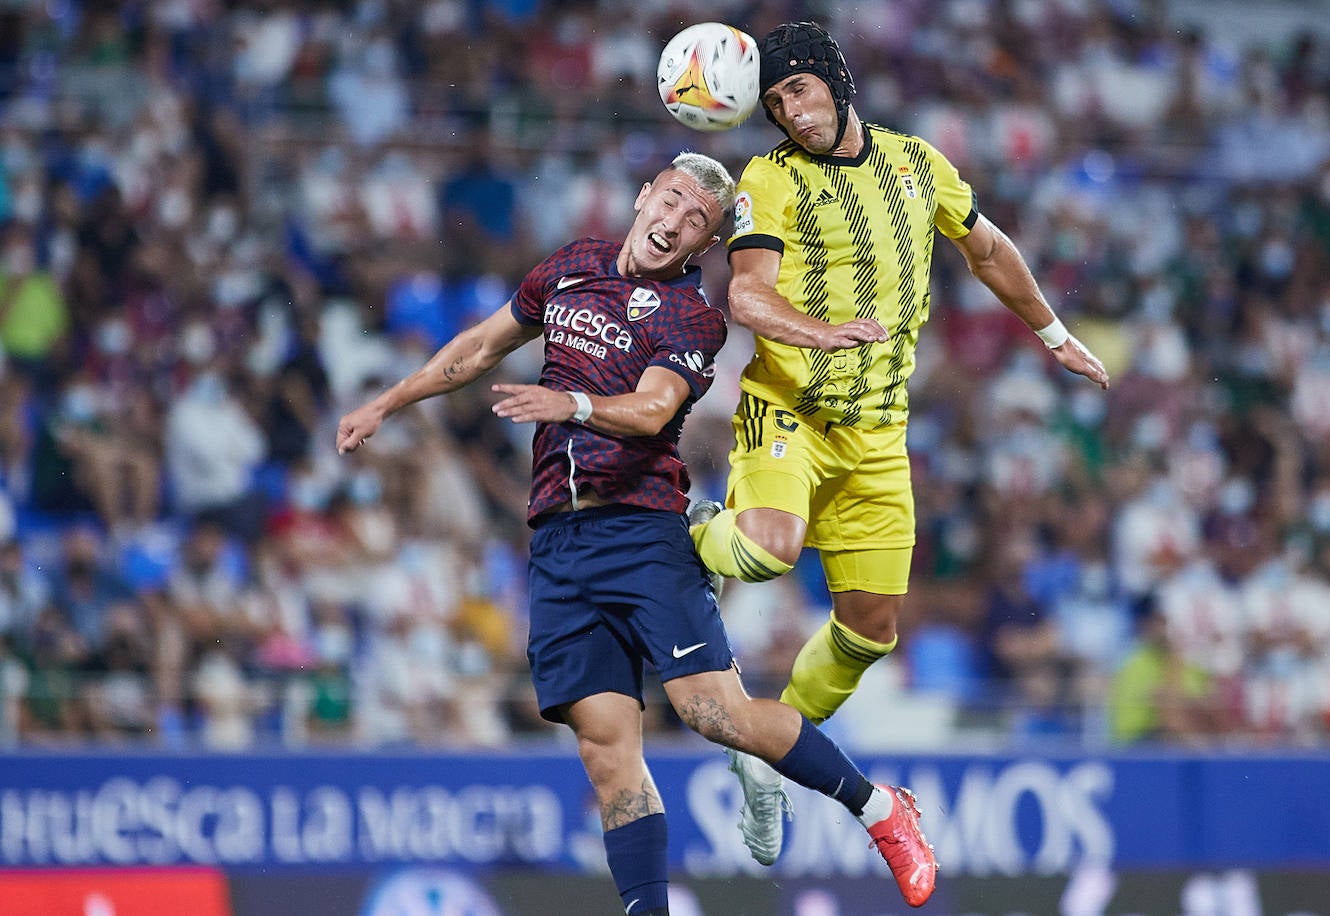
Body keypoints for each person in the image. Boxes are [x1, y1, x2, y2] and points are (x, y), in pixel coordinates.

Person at [337, 152, 938, 912]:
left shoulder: (696, 318)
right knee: (607, 755)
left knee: (712, 714)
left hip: (642, 531)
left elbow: (654, 410)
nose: (676, 222)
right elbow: (479, 348)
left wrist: (575, 407)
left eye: (698, 222)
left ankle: (880, 808)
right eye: (674, 201)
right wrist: (387, 403)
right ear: (644, 195)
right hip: (557, 545)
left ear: (704, 247)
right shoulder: (570, 267)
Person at [687, 22, 1112, 866]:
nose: (792, 114)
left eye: (799, 91)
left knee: (871, 632)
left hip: (878, 437)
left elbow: (985, 249)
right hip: (790, 413)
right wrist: (824, 331)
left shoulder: (919, 164)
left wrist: (1052, 331)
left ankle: (763, 746)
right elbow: (748, 297)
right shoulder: (768, 178)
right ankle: (685, 525)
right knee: (770, 551)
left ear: (837, 79)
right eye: (775, 103)